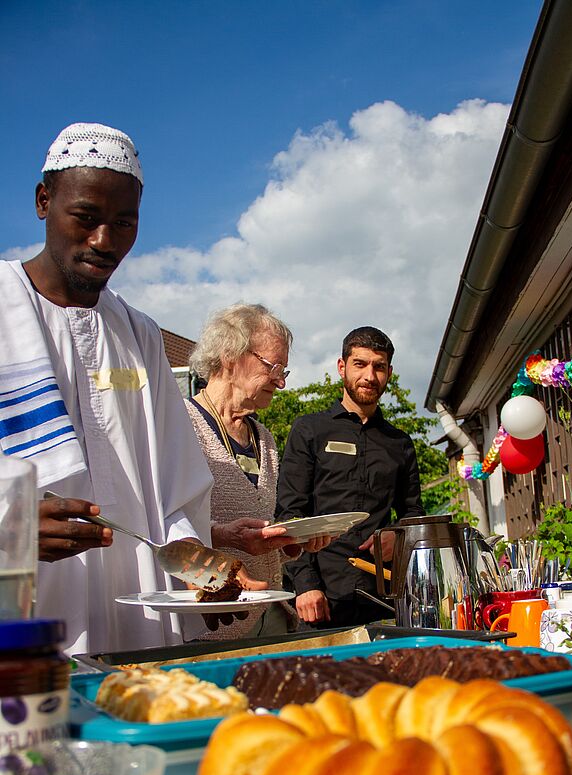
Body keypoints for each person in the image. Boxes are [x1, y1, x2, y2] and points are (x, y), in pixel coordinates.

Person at [0, 122, 276, 656]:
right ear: (43, 201)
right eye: (85, 218)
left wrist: (199, 571)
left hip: (133, 612)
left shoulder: (140, 335)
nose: (105, 242)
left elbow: (172, 488)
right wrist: (11, 529)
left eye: (124, 224)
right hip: (21, 612)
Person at [186, 303, 331, 641]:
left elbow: (258, 528)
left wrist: (294, 543)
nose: (280, 382)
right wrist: (222, 536)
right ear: (229, 355)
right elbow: (162, 525)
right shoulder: (181, 425)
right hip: (216, 622)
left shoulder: (263, 437)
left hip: (272, 613)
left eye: (285, 370)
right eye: (273, 366)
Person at [276, 326, 424, 628]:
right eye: (360, 364)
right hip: (321, 601)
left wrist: (396, 537)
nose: (370, 376)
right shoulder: (309, 430)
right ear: (342, 367)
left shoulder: (400, 443)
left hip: (384, 598)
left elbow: (413, 514)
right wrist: (305, 585)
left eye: (379, 367)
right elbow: (289, 513)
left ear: (389, 373)